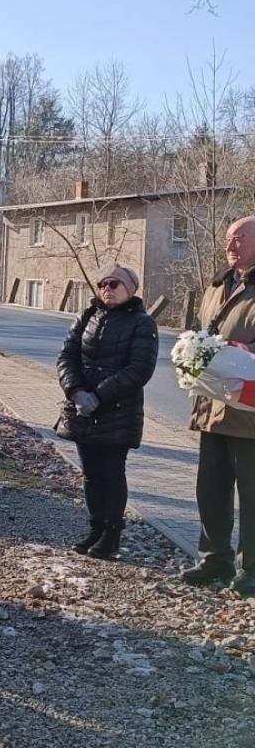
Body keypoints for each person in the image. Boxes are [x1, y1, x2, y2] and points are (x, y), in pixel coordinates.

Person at [56, 263, 159, 559]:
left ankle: (112, 534)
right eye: (103, 284)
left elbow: (139, 369)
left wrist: (99, 396)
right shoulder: (87, 315)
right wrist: (76, 391)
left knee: (112, 472)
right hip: (83, 410)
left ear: (130, 289)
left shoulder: (142, 324)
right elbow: (66, 356)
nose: (107, 289)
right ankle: (96, 527)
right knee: (91, 474)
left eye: (114, 284)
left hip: (118, 411)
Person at [181, 216, 255, 596]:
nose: (230, 244)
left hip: (249, 413)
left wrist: (241, 352)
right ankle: (214, 560)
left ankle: (251, 571)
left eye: (239, 237)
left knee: (252, 495)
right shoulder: (217, 285)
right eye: (228, 237)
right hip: (212, 405)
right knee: (210, 489)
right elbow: (203, 332)